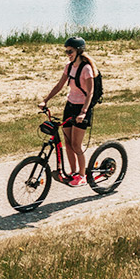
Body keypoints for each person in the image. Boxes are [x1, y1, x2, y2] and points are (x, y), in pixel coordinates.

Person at [40, 36, 97, 187]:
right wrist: (45, 100)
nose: (68, 54)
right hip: (70, 106)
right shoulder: (69, 66)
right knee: (68, 142)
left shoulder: (86, 69)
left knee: (76, 145)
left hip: (82, 108)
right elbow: (59, 86)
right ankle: (73, 172)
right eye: (66, 51)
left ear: (78, 51)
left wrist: (84, 111)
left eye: (70, 51)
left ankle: (82, 175)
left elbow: (90, 92)